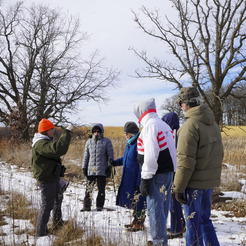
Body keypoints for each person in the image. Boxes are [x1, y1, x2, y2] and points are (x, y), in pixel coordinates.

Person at [173, 87, 224, 246]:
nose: (181, 107)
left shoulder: (189, 126)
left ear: (185, 104)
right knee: (204, 220)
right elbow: (219, 153)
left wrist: (178, 187)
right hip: (208, 183)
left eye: (181, 103)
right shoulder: (212, 123)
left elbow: (185, 162)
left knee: (193, 224)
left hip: (194, 184)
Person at [133, 98, 177, 246]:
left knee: (155, 211)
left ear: (141, 113)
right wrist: (174, 171)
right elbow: (172, 151)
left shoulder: (150, 127)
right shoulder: (164, 125)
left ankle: (159, 242)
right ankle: (161, 240)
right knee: (163, 209)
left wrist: (145, 178)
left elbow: (151, 156)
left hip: (155, 175)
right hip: (168, 173)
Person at [32, 118, 73, 237]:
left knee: (58, 199)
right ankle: (40, 232)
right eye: (51, 129)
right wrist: (67, 132)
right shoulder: (40, 144)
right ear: (45, 131)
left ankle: (57, 223)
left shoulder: (44, 141)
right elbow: (59, 149)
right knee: (47, 204)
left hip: (53, 177)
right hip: (47, 179)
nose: (53, 131)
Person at [109, 121, 146, 232]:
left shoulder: (138, 144)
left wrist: (140, 181)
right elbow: (126, 159)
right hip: (129, 177)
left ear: (131, 133)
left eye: (126, 133)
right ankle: (135, 220)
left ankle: (140, 223)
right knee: (134, 200)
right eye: (125, 133)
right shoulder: (130, 143)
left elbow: (141, 164)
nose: (125, 135)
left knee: (139, 200)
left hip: (136, 178)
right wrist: (115, 162)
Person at [161, 112, 185, 239]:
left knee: (173, 200)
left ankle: (177, 229)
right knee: (177, 199)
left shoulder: (172, 134)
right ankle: (180, 224)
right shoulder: (181, 132)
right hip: (182, 172)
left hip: (174, 172)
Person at [81, 123, 114, 211]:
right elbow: (86, 156)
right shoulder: (88, 142)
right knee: (89, 188)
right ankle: (86, 206)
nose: (96, 133)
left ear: (101, 132)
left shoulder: (107, 141)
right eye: (94, 131)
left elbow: (110, 156)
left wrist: (109, 168)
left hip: (102, 169)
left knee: (101, 188)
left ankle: (99, 205)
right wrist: (84, 167)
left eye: (98, 131)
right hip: (91, 169)